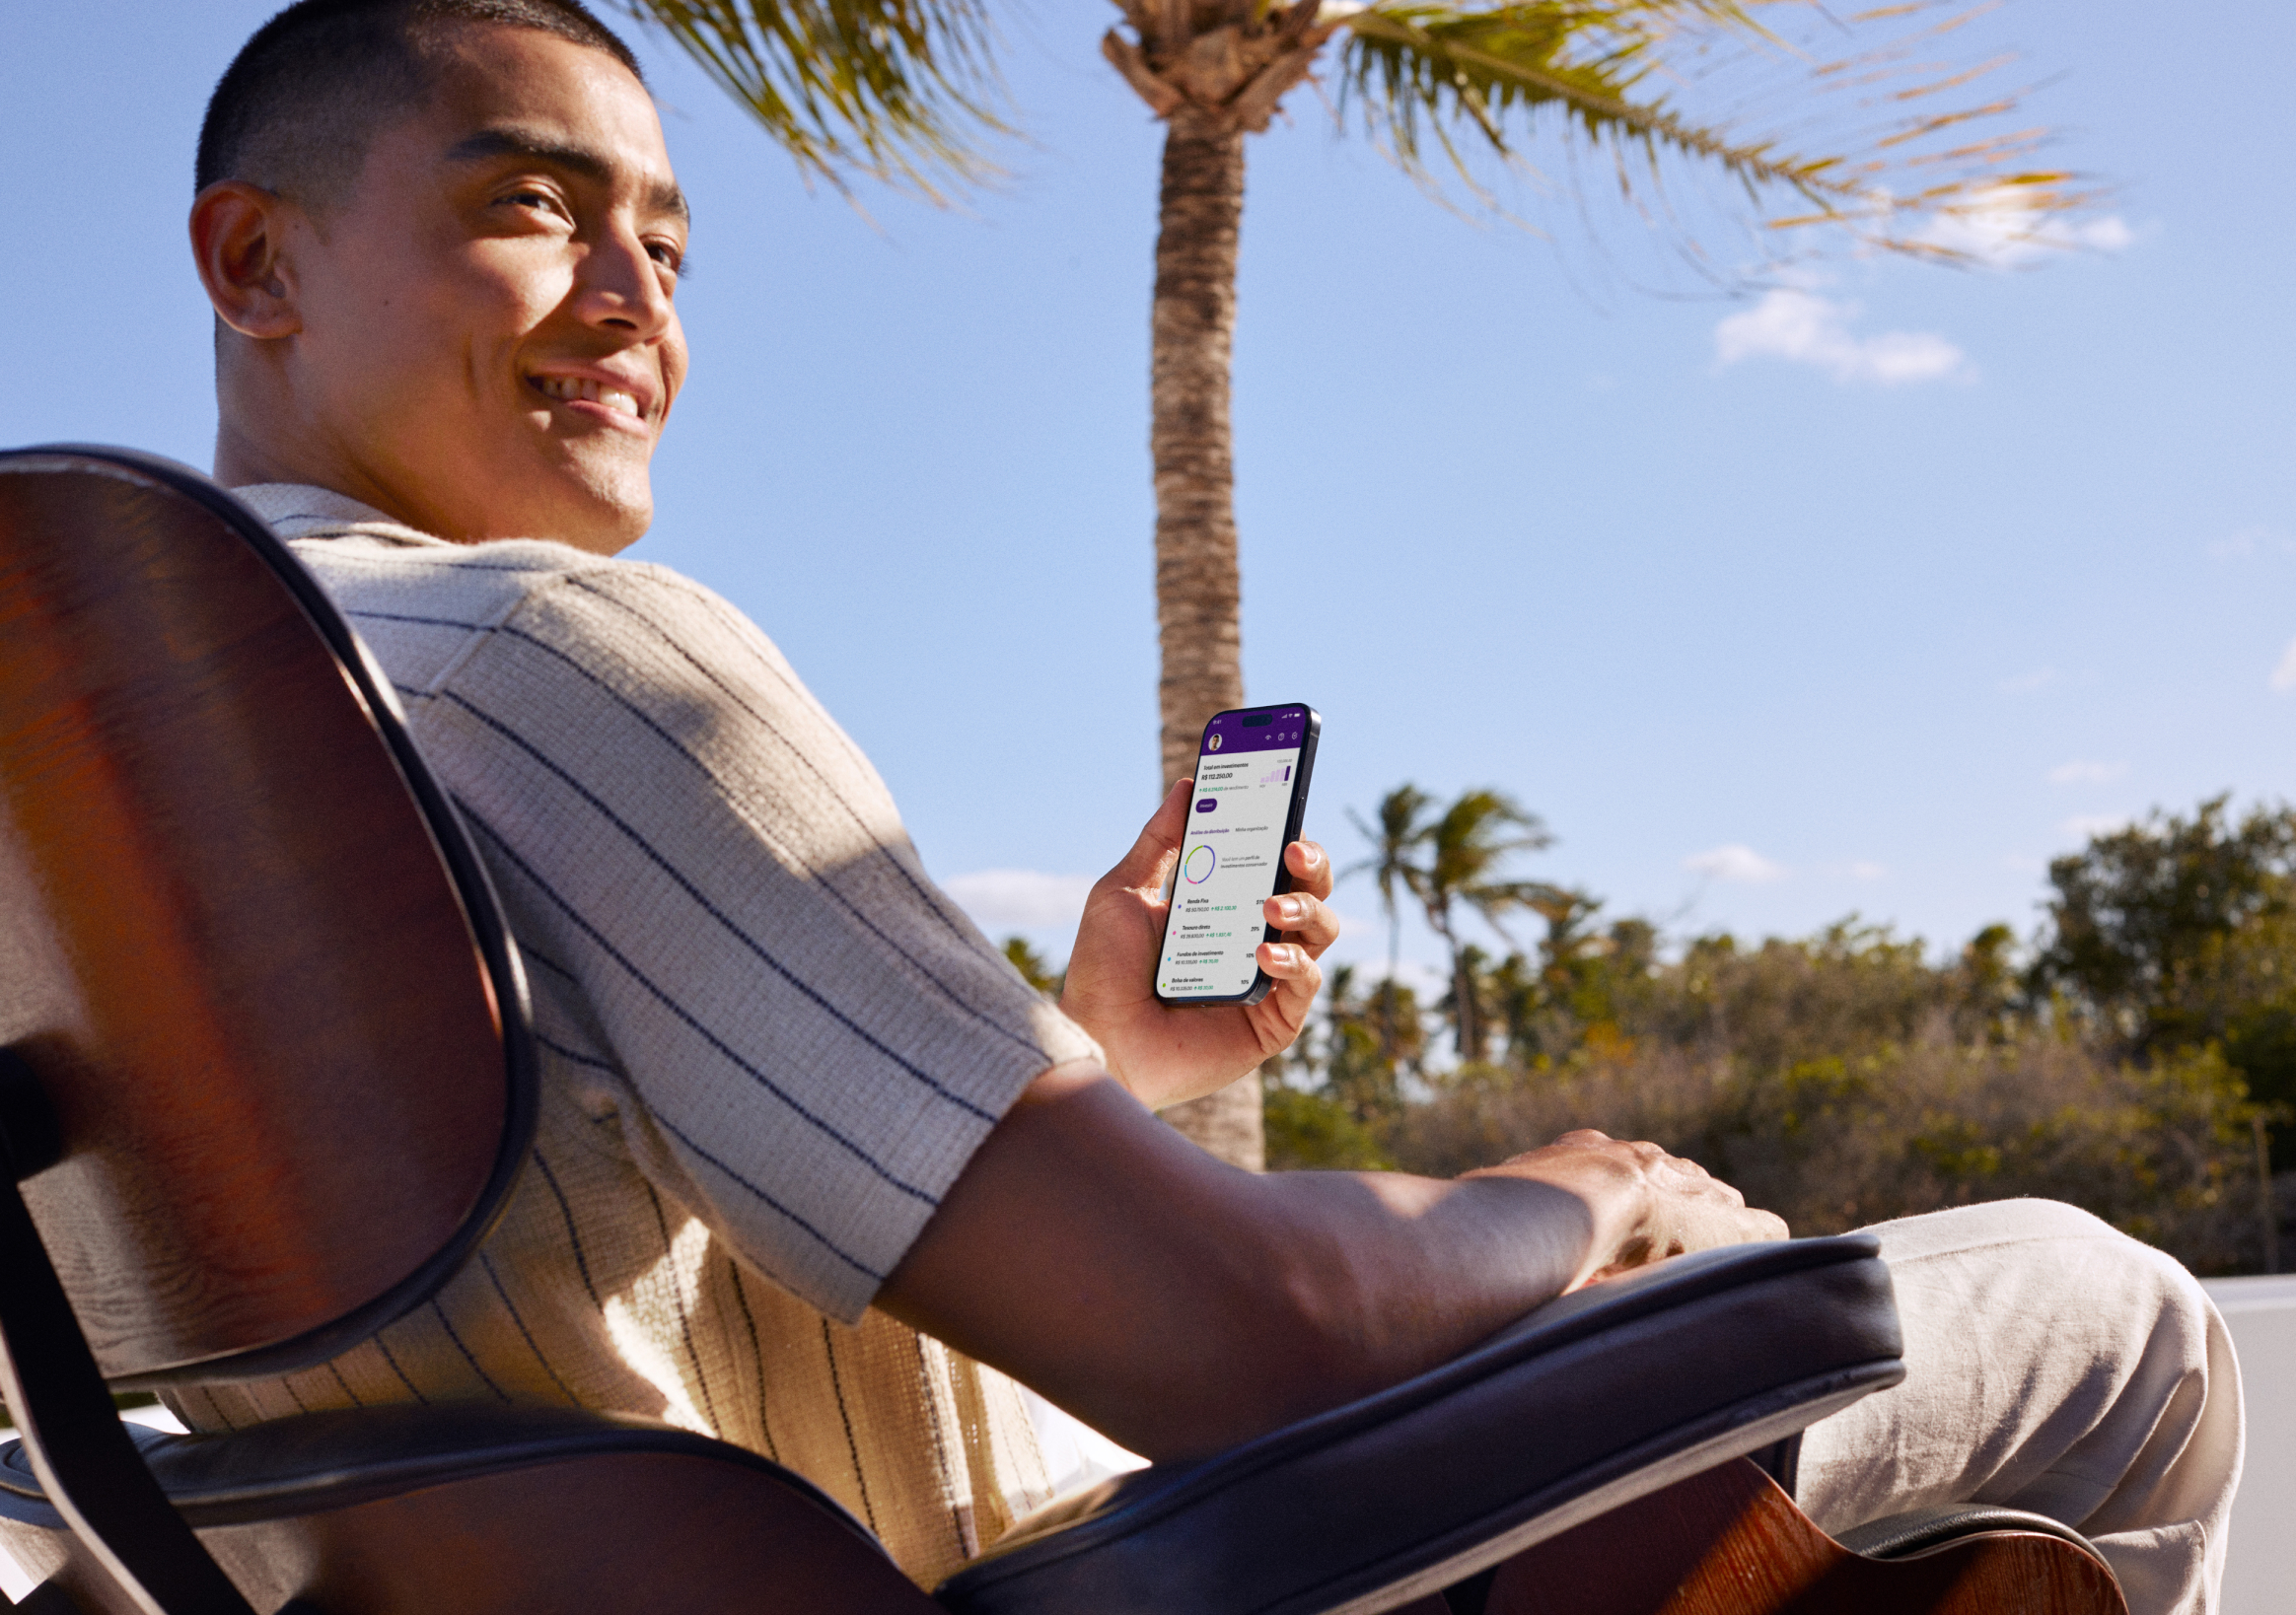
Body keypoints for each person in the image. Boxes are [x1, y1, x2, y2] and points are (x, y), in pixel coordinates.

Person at [177, 1, 2242, 1608]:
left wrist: (1108, 1062)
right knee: (2102, 1307)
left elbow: (597, 1284)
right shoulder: (553, 660)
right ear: (254, 260)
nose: (639, 302)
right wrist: (1598, 1187)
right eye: (532, 207)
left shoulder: (125, 775)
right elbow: (1257, 1339)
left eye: (669, 240)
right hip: (1088, 1573)